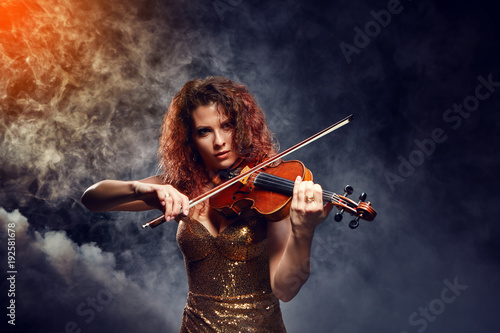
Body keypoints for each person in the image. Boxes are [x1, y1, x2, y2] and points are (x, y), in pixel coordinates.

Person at [81, 76, 334, 332]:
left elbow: (285, 289)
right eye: (204, 131)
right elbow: (92, 199)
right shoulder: (180, 187)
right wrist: (140, 188)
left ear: (244, 127)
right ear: (189, 138)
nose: (219, 141)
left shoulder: (267, 192)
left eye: (227, 126)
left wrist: (303, 233)